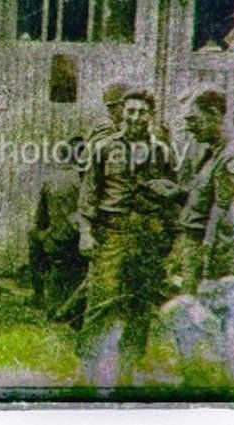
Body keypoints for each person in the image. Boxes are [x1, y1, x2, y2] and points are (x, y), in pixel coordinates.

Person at [77, 89, 176, 385]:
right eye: (130, 111)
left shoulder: (162, 152)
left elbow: (173, 195)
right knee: (102, 300)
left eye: (142, 112)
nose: (135, 117)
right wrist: (85, 233)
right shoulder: (104, 149)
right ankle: (87, 369)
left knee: (140, 304)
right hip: (112, 234)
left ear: (150, 115)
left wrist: (168, 241)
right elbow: (88, 196)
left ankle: (127, 370)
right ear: (122, 112)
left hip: (147, 237)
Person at [151, 89, 234, 295]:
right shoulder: (212, 150)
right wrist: (179, 193)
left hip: (207, 251)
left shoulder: (231, 157)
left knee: (197, 311)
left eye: (193, 119)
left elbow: (225, 216)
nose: (188, 127)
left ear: (214, 114)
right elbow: (208, 197)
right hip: (195, 245)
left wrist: (207, 263)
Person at [28, 136, 90, 318]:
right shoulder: (85, 180)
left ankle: (41, 297)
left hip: (56, 242)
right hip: (80, 244)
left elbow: (40, 219)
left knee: (37, 242)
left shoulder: (51, 179)